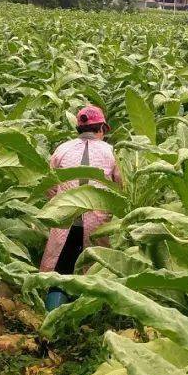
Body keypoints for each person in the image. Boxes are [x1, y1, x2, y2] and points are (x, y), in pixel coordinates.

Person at [39, 105, 122, 310]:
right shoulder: (110, 153)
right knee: (93, 270)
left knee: (62, 269)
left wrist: (60, 205)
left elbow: (49, 186)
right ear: (101, 128)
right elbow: (119, 188)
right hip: (97, 223)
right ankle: (86, 317)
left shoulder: (63, 149)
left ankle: (53, 318)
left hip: (65, 220)